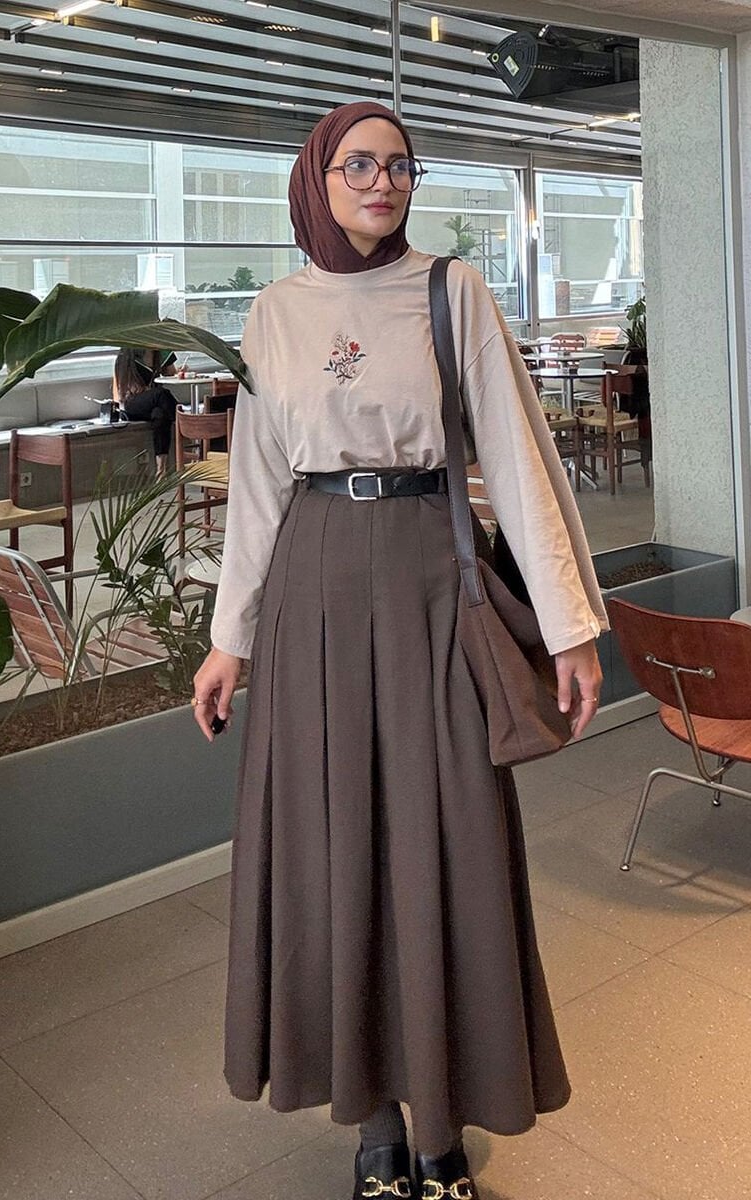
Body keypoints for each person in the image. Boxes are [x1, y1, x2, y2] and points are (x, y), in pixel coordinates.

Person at [192, 101, 607, 1200]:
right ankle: (372, 1122)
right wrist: (228, 641)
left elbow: (515, 458)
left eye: (400, 166)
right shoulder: (274, 312)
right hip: (313, 588)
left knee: (448, 841)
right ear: (316, 178)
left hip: (430, 576)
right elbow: (257, 488)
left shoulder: (451, 291)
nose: (383, 182)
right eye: (359, 164)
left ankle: (438, 1126)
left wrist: (568, 624)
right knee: (329, 844)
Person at [112, 348, 178, 477]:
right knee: (161, 393)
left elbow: (171, 372)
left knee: (160, 414)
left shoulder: (160, 351)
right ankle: (186, 422)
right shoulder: (126, 354)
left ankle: (161, 471)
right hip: (132, 403)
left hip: (154, 403)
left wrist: (181, 371)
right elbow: (119, 388)